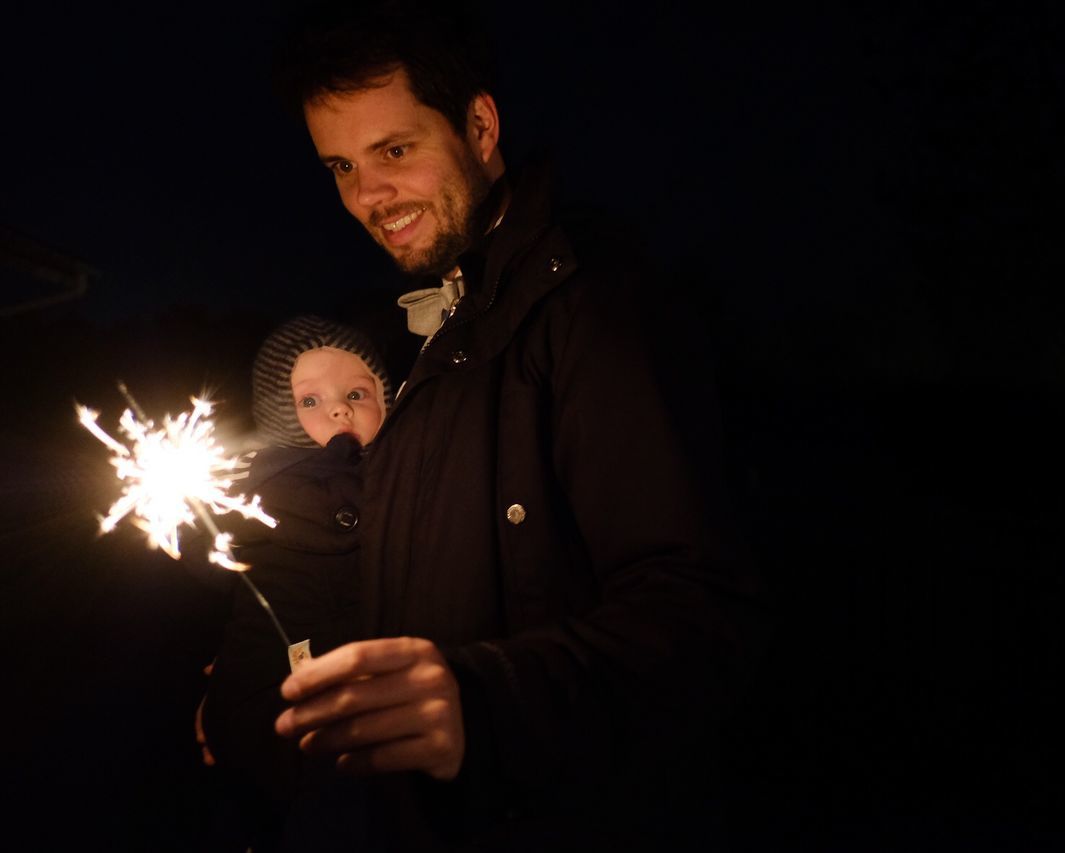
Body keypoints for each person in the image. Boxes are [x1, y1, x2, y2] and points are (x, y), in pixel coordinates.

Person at [258, 2, 766, 848]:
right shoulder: (428, 343)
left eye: (395, 151)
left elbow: (703, 617)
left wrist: (483, 703)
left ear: (481, 127)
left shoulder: (594, 310)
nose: (368, 197)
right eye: (341, 166)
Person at [197, 315, 393, 849]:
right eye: (311, 401)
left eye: (357, 391)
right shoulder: (286, 489)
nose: (338, 408)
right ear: (284, 419)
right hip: (285, 725)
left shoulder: (401, 469)